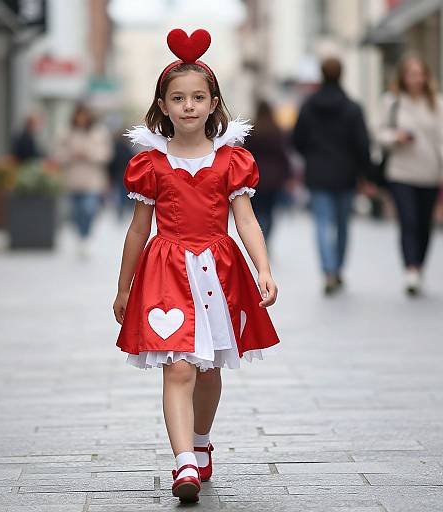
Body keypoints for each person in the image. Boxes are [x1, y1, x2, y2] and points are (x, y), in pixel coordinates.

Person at [112, 29, 280, 503]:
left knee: (208, 371)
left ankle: (202, 441)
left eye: (198, 97)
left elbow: (246, 220)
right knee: (179, 369)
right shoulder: (151, 165)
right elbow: (136, 231)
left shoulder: (232, 161)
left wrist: (263, 268)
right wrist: (124, 288)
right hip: (166, 271)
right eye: (178, 97)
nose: (188, 105)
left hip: (218, 270)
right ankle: (183, 460)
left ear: (213, 104)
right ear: (162, 106)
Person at [293, 57, 370, 295]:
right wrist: (364, 172)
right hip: (346, 174)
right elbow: (362, 144)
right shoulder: (353, 108)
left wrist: (312, 157)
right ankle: (337, 269)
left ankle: (327, 271)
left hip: (318, 173)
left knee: (322, 224)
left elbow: (297, 140)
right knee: (343, 225)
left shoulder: (308, 106)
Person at [375, 55, 443, 296]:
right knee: (409, 220)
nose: (415, 79)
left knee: (425, 224)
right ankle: (411, 269)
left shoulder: (436, 102)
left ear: (426, 76)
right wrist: (396, 137)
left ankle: (420, 265)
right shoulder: (392, 102)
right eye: (410, 74)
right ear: (403, 77)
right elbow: (379, 133)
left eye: (419, 73)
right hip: (401, 173)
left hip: (429, 173)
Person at [55, 103, 113, 257]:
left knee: (89, 209)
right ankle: (81, 237)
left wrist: (89, 153)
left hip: (92, 180)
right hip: (72, 180)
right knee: (75, 212)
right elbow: (57, 154)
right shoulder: (67, 132)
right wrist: (70, 155)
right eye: (78, 115)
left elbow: (106, 155)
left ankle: (86, 236)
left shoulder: (99, 132)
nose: (81, 119)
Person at [245, 100, 292, 244]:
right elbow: (283, 154)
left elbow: (245, 154)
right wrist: (287, 175)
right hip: (273, 178)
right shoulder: (276, 130)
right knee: (270, 211)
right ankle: (265, 239)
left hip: (255, 178)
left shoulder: (252, 131)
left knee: (257, 211)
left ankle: (260, 237)